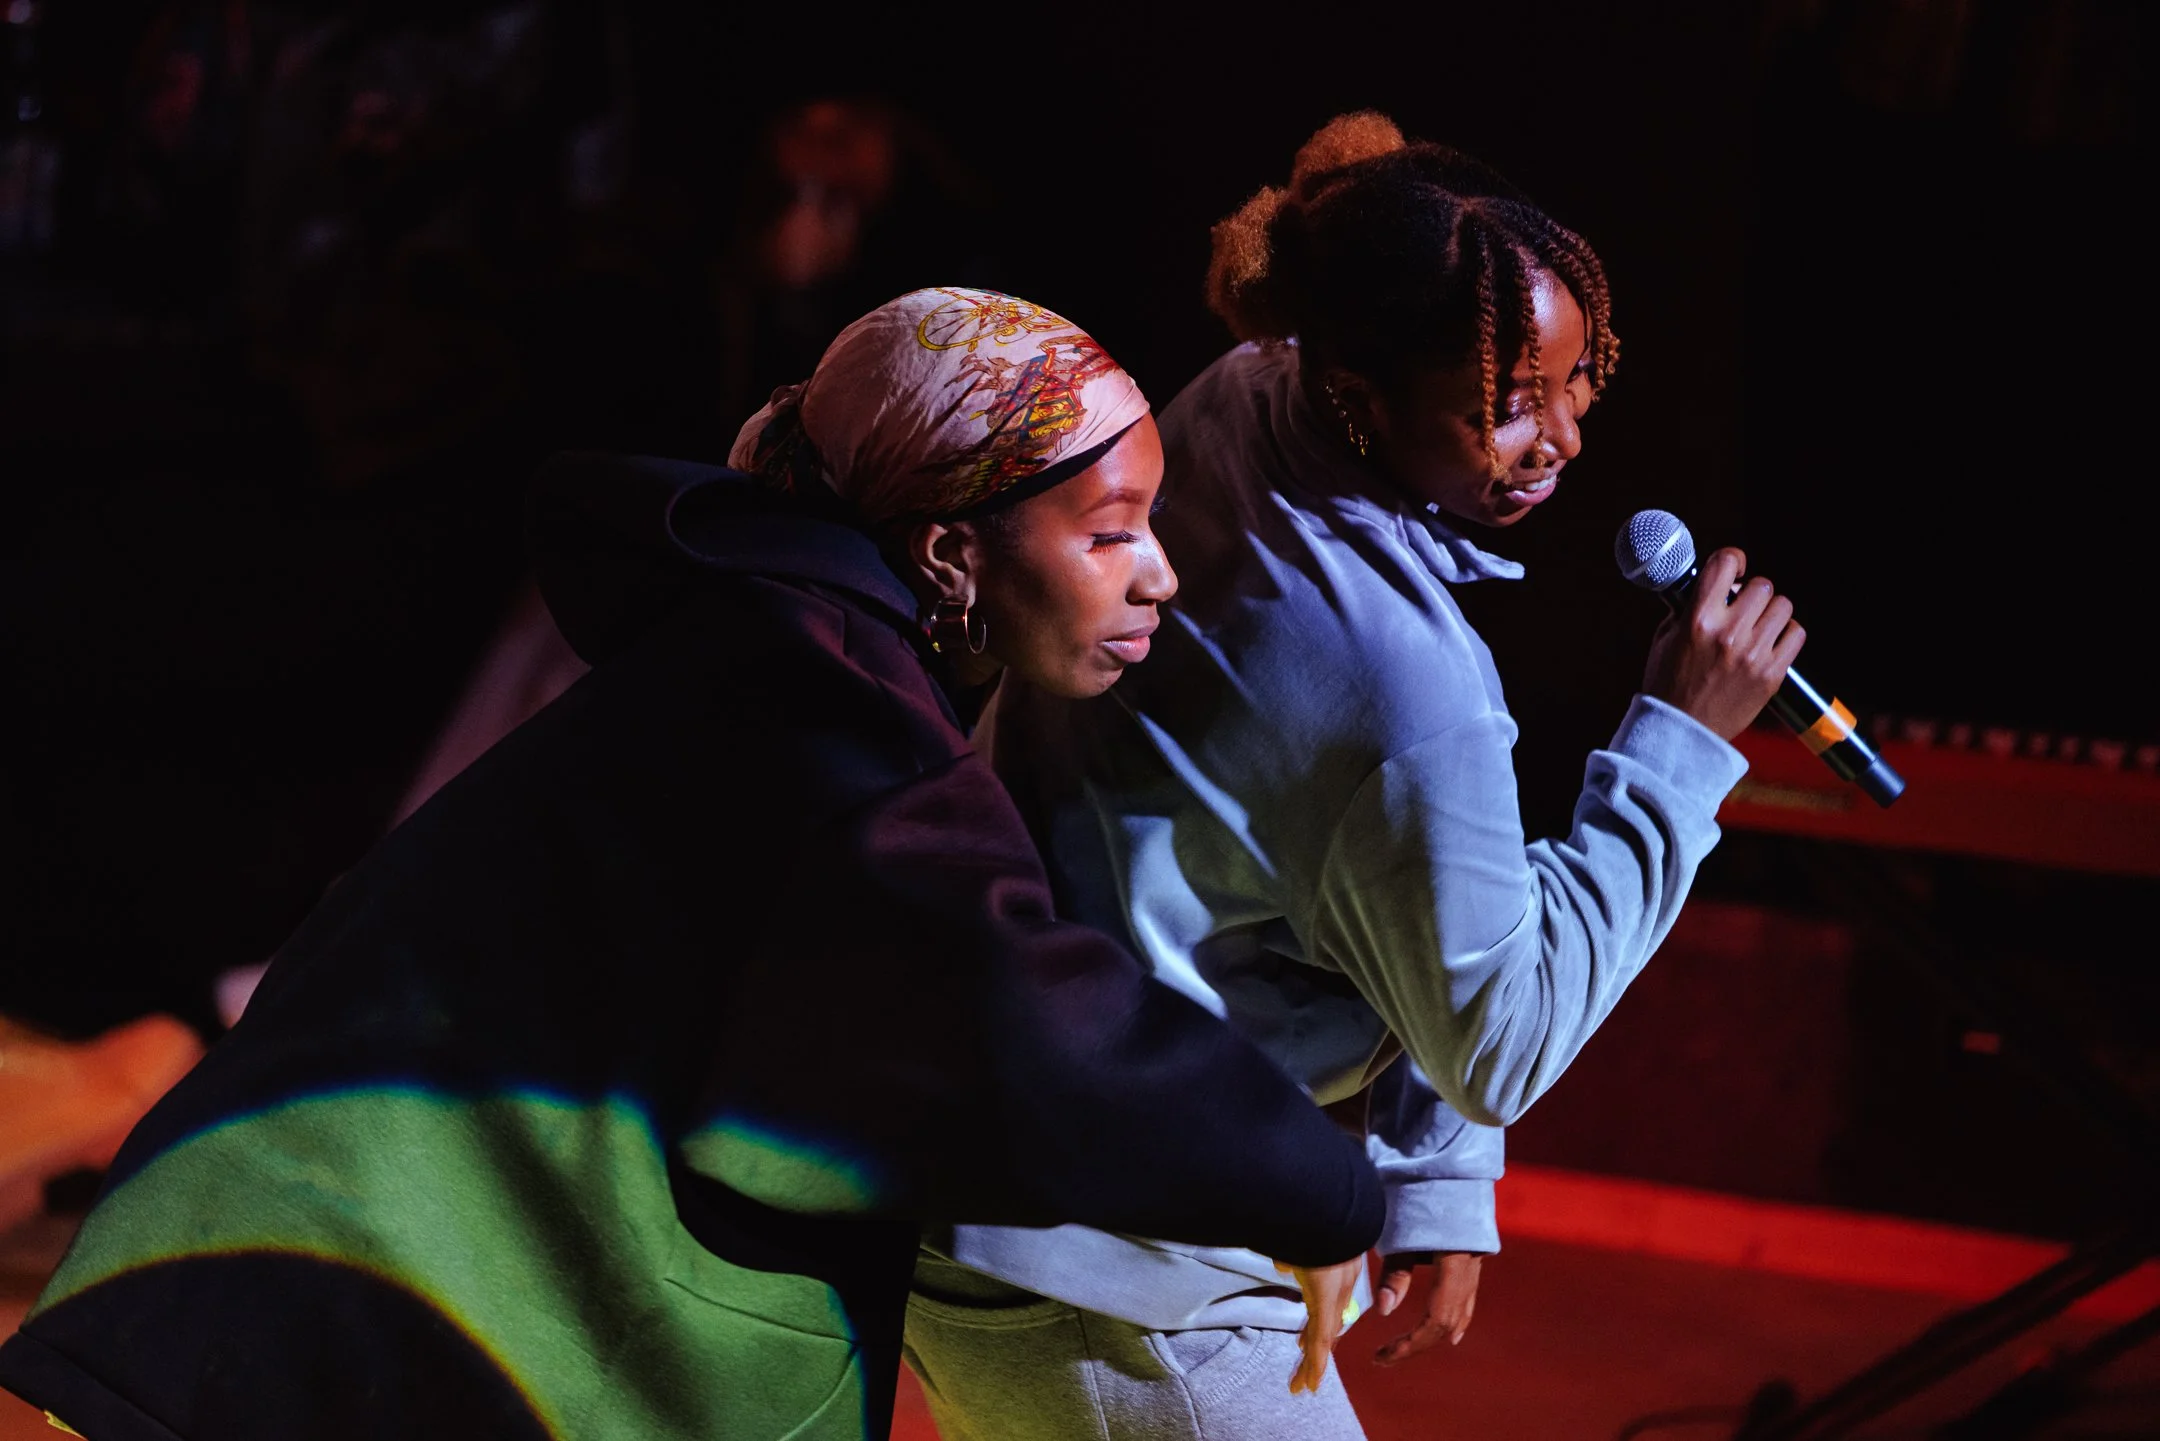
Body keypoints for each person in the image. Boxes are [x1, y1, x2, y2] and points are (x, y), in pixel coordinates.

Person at [0, 287, 1385, 1441]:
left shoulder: (757, 646)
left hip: (331, 1269)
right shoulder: (838, 730)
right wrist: (1315, 1191)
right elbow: (1030, 1020)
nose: (1158, 573)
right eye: (1109, 530)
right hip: (358, 1293)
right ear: (951, 550)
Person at [904, 116, 1806, 1441]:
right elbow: (1502, 1039)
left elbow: (1357, 861)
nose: (1560, 437)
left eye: (1577, 381)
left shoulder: (1245, 395)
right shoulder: (1401, 684)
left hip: (1003, 1155)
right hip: (1112, 1266)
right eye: (1506, 400)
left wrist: (1436, 1174)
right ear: (1362, 395)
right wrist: (1680, 745)